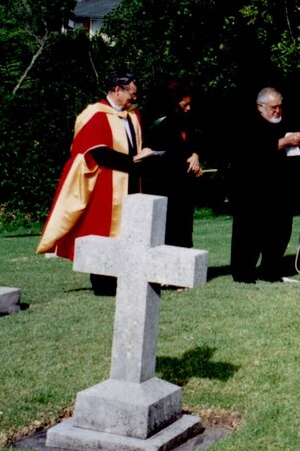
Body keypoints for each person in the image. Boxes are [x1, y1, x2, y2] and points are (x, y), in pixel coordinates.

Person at [36, 71, 155, 295]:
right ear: (117, 90)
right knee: (104, 233)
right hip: (106, 186)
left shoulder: (133, 115)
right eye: (132, 93)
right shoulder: (95, 114)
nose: (134, 98)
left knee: (129, 233)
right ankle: (103, 284)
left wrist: (143, 157)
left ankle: (126, 278)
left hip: (131, 182)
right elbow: (97, 153)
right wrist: (131, 160)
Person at [230, 87, 300, 283]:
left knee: (279, 231)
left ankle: (271, 270)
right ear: (260, 107)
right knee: (249, 233)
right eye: (273, 108)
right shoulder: (247, 124)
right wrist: (285, 142)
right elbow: (253, 150)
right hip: (252, 189)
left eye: (280, 107)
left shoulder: (285, 118)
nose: (278, 111)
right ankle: (243, 273)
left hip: (281, 189)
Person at [143, 80, 202, 248]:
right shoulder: (159, 125)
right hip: (166, 188)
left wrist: (196, 156)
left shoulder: (187, 122)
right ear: (174, 102)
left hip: (184, 189)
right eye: (185, 104)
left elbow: (194, 145)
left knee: (184, 230)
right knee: (169, 232)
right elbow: (160, 158)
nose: (189, 108)